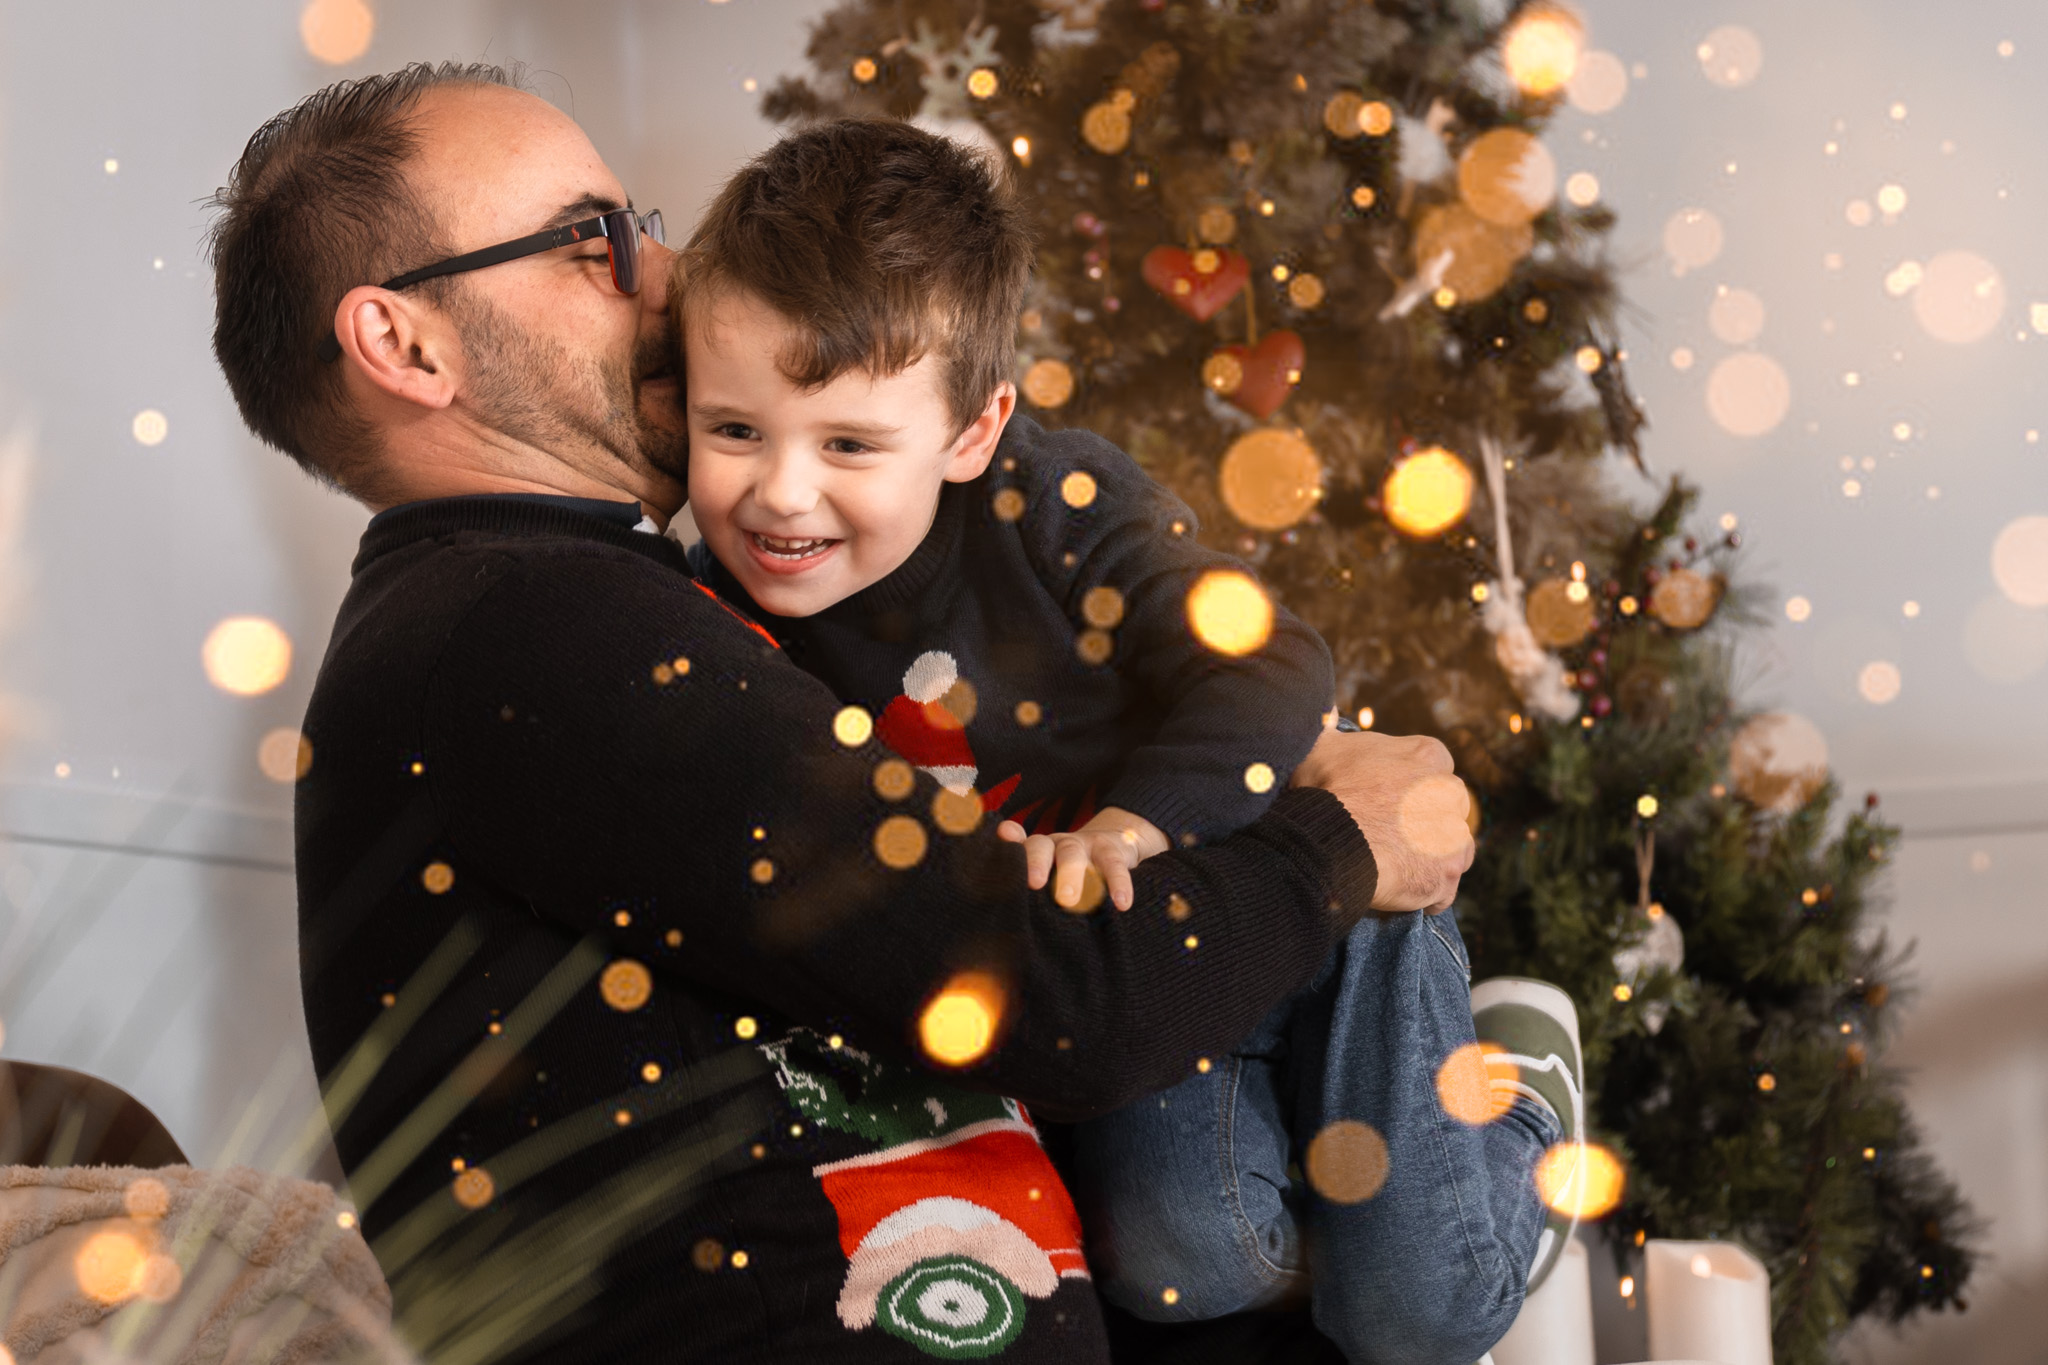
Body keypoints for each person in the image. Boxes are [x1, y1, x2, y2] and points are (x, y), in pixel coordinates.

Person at [206, 63, 1478, 1365]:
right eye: (591, 239)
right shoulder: (529, 625)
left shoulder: (569, 608)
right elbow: (1056, 996)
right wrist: (1348, 838)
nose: (666, 269)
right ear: (405, 342)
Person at [676, 119, 1586, 1364]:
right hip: (1148, 975)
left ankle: (1525, 1109)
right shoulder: (697, 610)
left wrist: (1133, 824)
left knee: (1420, 1315)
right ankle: (1376, 1178)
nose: (779, 493)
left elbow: (1272, 660)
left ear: (968, 430)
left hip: (1289, 887)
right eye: (734, 431)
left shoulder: (1049, 503)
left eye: (845, 444)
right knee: (1183, 1261)